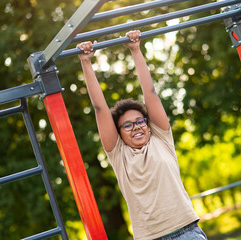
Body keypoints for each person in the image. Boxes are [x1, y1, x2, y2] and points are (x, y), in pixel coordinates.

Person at [77, 30, 207, 240]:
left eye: (139, 121)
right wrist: (86, 62)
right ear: (119, 133)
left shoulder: (161, 139)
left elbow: (150, 93)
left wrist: (136, 49)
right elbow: (100, 108)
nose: (136, 127)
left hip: (187, 231)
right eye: (127, 125)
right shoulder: (119, 155)